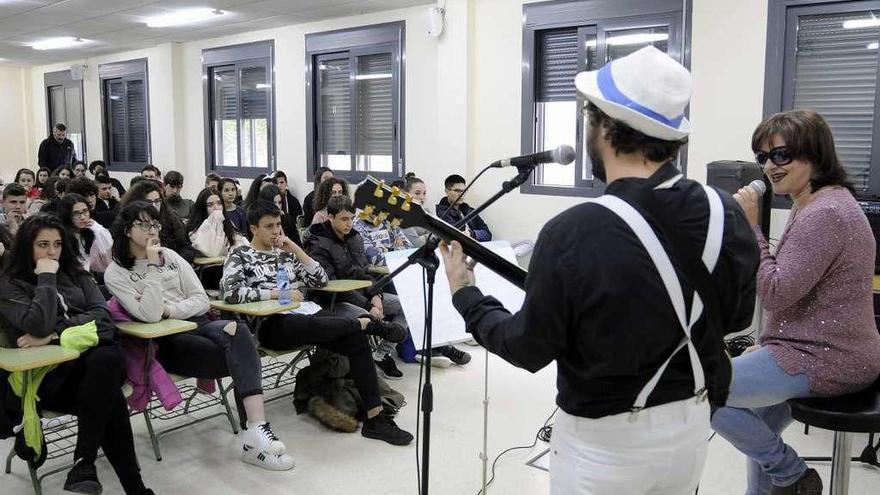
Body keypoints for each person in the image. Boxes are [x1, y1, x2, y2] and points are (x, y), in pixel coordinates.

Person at [440, 46, 760, 494]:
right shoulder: (726, 210)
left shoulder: (573, 232)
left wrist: (466, 295)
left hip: (603, 449)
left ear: (605, 126)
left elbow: (528, 348)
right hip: (689, 431)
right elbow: (737, 317)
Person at [711, 109, 880, 495]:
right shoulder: (814, 202)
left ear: (814, 155)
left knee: (702, 390)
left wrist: (752, 227)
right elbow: (793, 293)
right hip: (811, 349)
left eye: (781, 155)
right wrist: (768, 343)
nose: (769, 166)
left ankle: (793, 474)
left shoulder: (827, 213)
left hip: (830, 358)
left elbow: (775, 291)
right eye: (763, 157)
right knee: (760, 432)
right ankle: (784, 479)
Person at [104, 202, 295, 471]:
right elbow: (149, 315)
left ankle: (256, 428)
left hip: (198, 322)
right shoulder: (116, 272)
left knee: (238, 331)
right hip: (165, 340)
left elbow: (201, 301)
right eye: (144, 225)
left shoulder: (170, 256)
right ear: (126, 230)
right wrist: (150, 268)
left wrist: (170, 309)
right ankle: (255, 442)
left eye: (155, 224)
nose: (152, 230)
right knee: (240, 355)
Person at [220, 201, 413, 446]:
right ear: (253, 229)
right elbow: (231, 293)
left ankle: (376, 419)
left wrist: (295, 249)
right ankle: (365, 323)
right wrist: (276, 295)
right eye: (269, 226)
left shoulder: (285, 252)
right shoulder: (240, 254)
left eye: (279, 225)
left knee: (354, 339)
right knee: (319, 324)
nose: (276, 231)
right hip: (271, 322)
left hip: (306, 312)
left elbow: (320, 279)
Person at [0, 214, 153, 495]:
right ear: (26, 247)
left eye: (57, 244)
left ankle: (85, 463)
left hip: (93, 372)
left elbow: (104, 319)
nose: (52, 251)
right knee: (110, 393)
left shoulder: (77, 274)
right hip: (49, 377)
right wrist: (46, 277)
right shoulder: (10, 284)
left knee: (105, 361)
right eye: (43, 244)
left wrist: (55, 335)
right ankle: (129, 486)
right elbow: (37, 324)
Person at [306, 196, 412, 380]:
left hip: (362, 294)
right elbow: (333, 285)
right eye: (344, 219)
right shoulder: (318, 244)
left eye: (351, 218)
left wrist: (376, 296)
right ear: (330, 217)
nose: (349, 224)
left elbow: (363, 273)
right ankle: (364, 362)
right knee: (365, 316)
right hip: (332, 301)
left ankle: (380, 354)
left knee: (408, 305)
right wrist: (368, 304)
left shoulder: (355, 238)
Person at [118, 180, 197, 263]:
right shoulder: (130, 223)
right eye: (148, 202)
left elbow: (187, 248)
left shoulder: (171, 218)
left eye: (157, 201)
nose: (154, 206)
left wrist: (172, 261)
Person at [57, 193, 113, 274]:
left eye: (85, 211)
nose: (83, 217)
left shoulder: (94, 229)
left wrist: (99, 231)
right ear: (67, 215)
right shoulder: (62, 236)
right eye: (76, 213)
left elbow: (108, 256)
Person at [187, 188, 246, 258]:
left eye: (219, 203)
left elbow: (241, 243)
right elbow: (212, 253)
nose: (216, 208)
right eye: (210, 205)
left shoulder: (228, 224)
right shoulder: (194, 232)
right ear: (202, 209)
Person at [435, 174, 492, 241]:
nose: (461, 194)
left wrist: (471, 234)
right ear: (447, 191)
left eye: (464, 191)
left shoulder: (468, 209)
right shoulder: (443, 213)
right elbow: (457, 238)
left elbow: (488, 234)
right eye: (457, 190)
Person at [401, 173, 430, 247]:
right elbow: (417, 243)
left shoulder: (427, 211)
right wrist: (432, 235)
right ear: (406, 194)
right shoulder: (402, 215)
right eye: (417, 193)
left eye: (424, 193)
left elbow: (438, 234)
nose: (422, 197)